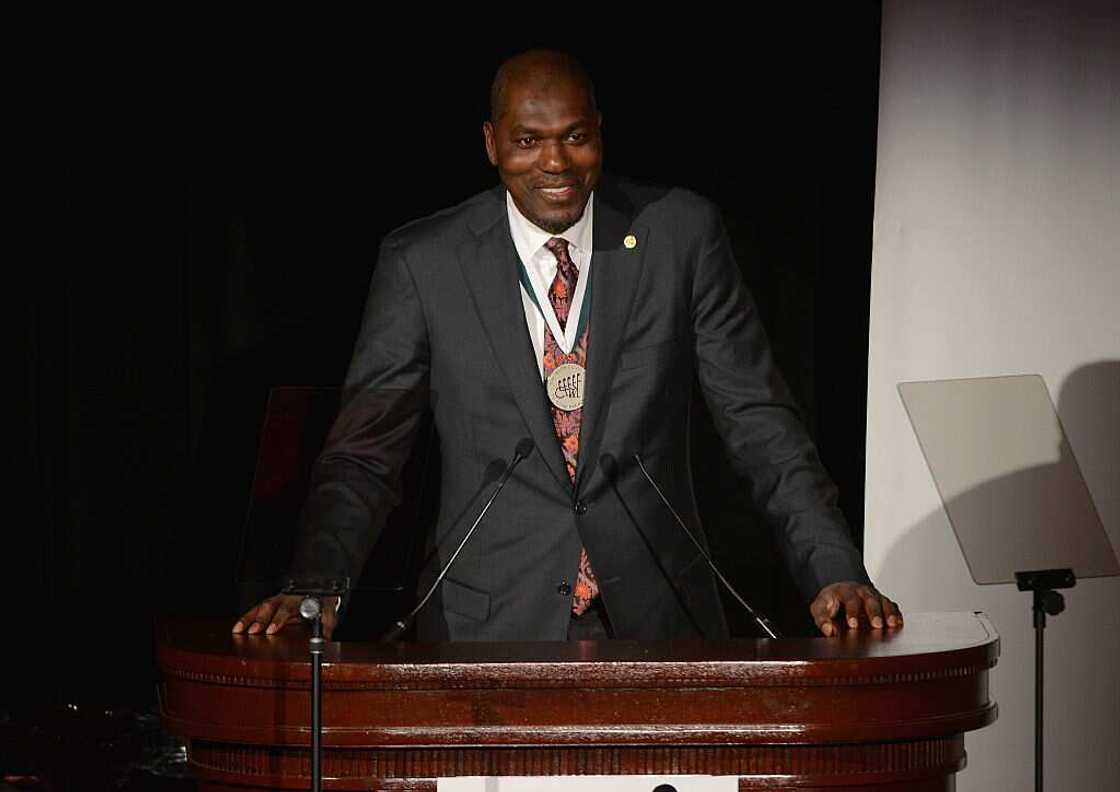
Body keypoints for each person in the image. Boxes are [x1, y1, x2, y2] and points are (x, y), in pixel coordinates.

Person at [233, 49, 901, 642]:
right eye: (529, 141)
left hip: (661, 622)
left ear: (599, 135)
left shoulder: (678, 236)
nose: (554, 163)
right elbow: (367, 450)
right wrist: (317, 587)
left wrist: (832, 570)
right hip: (488, 626)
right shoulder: (424, 263)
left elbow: (760, 422)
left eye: (574, 138)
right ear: (492, 144)